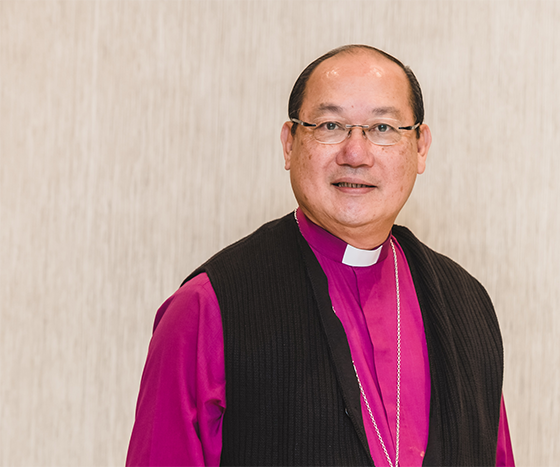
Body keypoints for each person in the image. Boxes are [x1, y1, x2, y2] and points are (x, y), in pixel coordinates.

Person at [126, 44, 515, 467]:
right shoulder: (207, 308)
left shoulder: (466, 305)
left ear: (420, 147)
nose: (356, 154)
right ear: (289, 143)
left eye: (382, 128)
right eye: (330, 125)